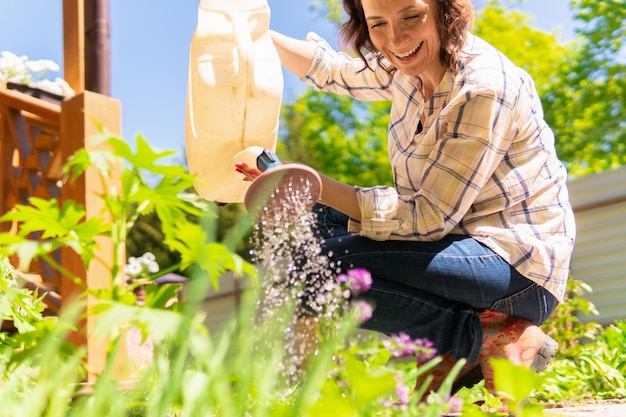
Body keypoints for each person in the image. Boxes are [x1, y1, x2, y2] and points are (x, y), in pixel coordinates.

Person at [238, 0, 576, 395]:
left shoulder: (483, 87)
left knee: (317, 266)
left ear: (446, 11)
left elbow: (426, 217)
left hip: (515, 268)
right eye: (377, 23)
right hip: (454, 246)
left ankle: (473, 337)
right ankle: (448, 344)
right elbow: (334, 71)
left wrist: (310, 183)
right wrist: (253, 35)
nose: (395, 39)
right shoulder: (406, 66)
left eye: (411, 16)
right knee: (309, 220)